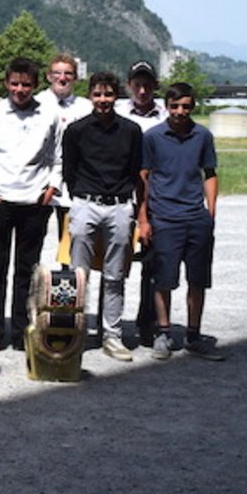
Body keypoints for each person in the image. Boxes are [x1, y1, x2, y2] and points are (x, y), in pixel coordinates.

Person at [0, 57, 62, 353]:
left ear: (36, 85)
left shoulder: (49, 115)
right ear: (6, 83)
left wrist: (52, 188)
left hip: (34, 202)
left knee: (28, 270)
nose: (20, 89)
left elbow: (57, 157)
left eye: (26, 84)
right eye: (15, 83)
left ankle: (22, 329)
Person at [138, 82, 223, 361]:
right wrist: (144, 218)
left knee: (198, 279)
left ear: (193, 106)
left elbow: (209, 173)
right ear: (167, 106)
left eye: (186, 106)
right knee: (163, 280)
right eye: (175, 106)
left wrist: (210, 212)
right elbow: (144, 177)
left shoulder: (203, 136)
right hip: (164, 217)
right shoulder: (152, 137)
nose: (180, 112)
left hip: (196, 217)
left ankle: (194, 335)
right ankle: (164, 333)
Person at [62, 71, 142, 361]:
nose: (103, 100)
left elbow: (135, 170)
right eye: (97, 94)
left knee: (114, 275)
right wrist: (82, 197)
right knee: (77, 275)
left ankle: (112, 335)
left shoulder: (131, 131)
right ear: (90, 96)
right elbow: (69, 171)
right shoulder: (76, 130)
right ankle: (76, 332)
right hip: (86, 203)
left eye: (108, 94)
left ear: (116, 96)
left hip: (120, 206)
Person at [119, 60, 166, 345]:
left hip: (154, 196)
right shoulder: (117, 112)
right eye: (137, 83)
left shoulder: (165, 116)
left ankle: (147, 321)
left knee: (152, 264)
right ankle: (108, 324)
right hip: (122, 193)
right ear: (129, 85)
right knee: (114, 264)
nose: (143, 89)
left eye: (147, 83)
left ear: (155, 86)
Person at [38, 54, 92, 242]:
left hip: (73, 180)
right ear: (48, 76)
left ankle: (67, 271)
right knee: (33, 239)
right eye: (57, 73)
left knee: (70, 241)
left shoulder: (86, 107)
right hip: (41, 180)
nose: (62, 78)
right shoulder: (36, 104)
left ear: (75, 77)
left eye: (68, 73)